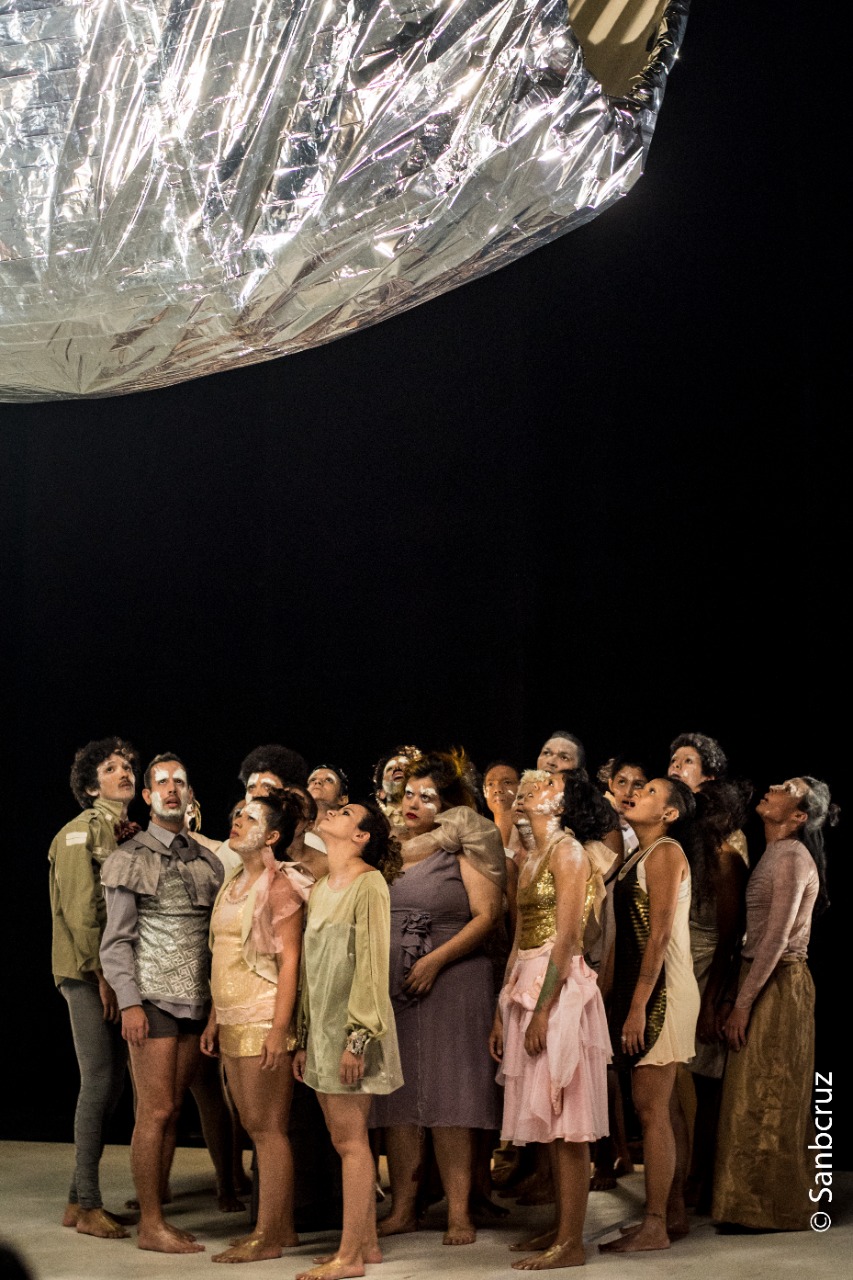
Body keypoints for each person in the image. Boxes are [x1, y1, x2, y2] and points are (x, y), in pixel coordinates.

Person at [371, 750, 505, 1246]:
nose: (413, 803)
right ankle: (404, 1209)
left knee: (453, 1098)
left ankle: (459, 1213)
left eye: (426, 797)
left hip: (454, 979)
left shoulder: (462, 846)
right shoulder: (389, 849)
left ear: (447, 804)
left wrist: (435, 961)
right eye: (408, 794)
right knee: (399, 1099)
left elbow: (487, 916)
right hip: (396, 986)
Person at [99, 753, 224, 1253]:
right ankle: (151, 1225)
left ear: (190, 795)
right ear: (148, 796)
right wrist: (129, 1002)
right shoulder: (130, 857)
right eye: (163, 783)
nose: (173, 789)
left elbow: (217, 939)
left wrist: (216, 1008)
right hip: (151, 998)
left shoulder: (208, 861)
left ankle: (160, 1215)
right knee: (155, 1110)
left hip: (196, 1000)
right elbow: (116, 941)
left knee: (172, 1110)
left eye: (181, 782)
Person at [490, 770, 611, 1271]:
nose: (526, 791)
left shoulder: (569, 853)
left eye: (539, 787)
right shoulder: (530, 858)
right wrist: (503, 1010)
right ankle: (562, 1227)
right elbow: (519, 936)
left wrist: (543, 1009)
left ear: (559, 803)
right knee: (550, 1123)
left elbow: (568, 938)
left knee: (568, 1121)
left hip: (558, 989)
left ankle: (571, 1241)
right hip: (528, 980)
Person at [713, 777, 837, 1230]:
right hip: (761, 977)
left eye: (786, 788)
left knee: (772, 1090)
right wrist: (736, 993)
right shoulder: (776, 853)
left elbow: (778, 938)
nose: (772, 787)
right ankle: (747, 1202)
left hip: (781, 982)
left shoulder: (792, 858)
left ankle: (770, 1206)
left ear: (799, 816)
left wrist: (743, 1004)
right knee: (752, 1090)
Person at [292, 801, 404, 1280]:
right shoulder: (321, 887)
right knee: (343, 1138)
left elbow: (373, 966)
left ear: (361, 836)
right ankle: (368, 1244)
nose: (333, 812)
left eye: (345, 812)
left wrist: (356, 1039)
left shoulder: (369, 884)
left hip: (350, 1033)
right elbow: (312, 971)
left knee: (350, 1141)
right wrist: (304, 1037)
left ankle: (349, 1256)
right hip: (322, 1031)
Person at [201, 793, 311, 1263]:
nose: (238, 820)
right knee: (252, 1126)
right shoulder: (233, 882)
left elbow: (290, 963)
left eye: (250, 817)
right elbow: (224, 955)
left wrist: (279, 1029)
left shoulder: (281, 884)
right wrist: (214, 1018)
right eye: (238, 814)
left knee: (268, 1129)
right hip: (231, 1015)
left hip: (263, 1014)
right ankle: (281, 1228)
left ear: (272, 836)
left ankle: (268, 1236)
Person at [600, 776, 700, 1255]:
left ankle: (655, 1223)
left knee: (651, 1108)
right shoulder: (638, 855)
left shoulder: (665, 853)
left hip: (663, 992)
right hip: (642, 988)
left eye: (652, 792)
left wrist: (638, 1006)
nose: (638, 792)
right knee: (663, 1107)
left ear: (670, 814)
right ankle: (671, 1211)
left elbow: (658, 936)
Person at [49, 737, 139, 1239]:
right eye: (109, 768)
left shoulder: (122, 833)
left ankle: (75, 1200)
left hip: (109, 970)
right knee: (99, 1081)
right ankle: (88, 1206)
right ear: (89, 786)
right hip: (87, 972)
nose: (123, 772)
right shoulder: (78, 832)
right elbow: (81, 912)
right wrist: (104, 976)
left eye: (127, 766)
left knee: (112, 1085)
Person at [666, 733, 752, 1214]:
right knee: (678, 1077)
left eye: (688, 761)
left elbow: (729, 934)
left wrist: (717, 999)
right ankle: (683, 1178)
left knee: (702, 1076)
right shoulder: (681, 835)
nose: (676, 767)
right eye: (673, 760)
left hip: (705, 966)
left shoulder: (723, 846)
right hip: (680, 960)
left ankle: (700, 1181)